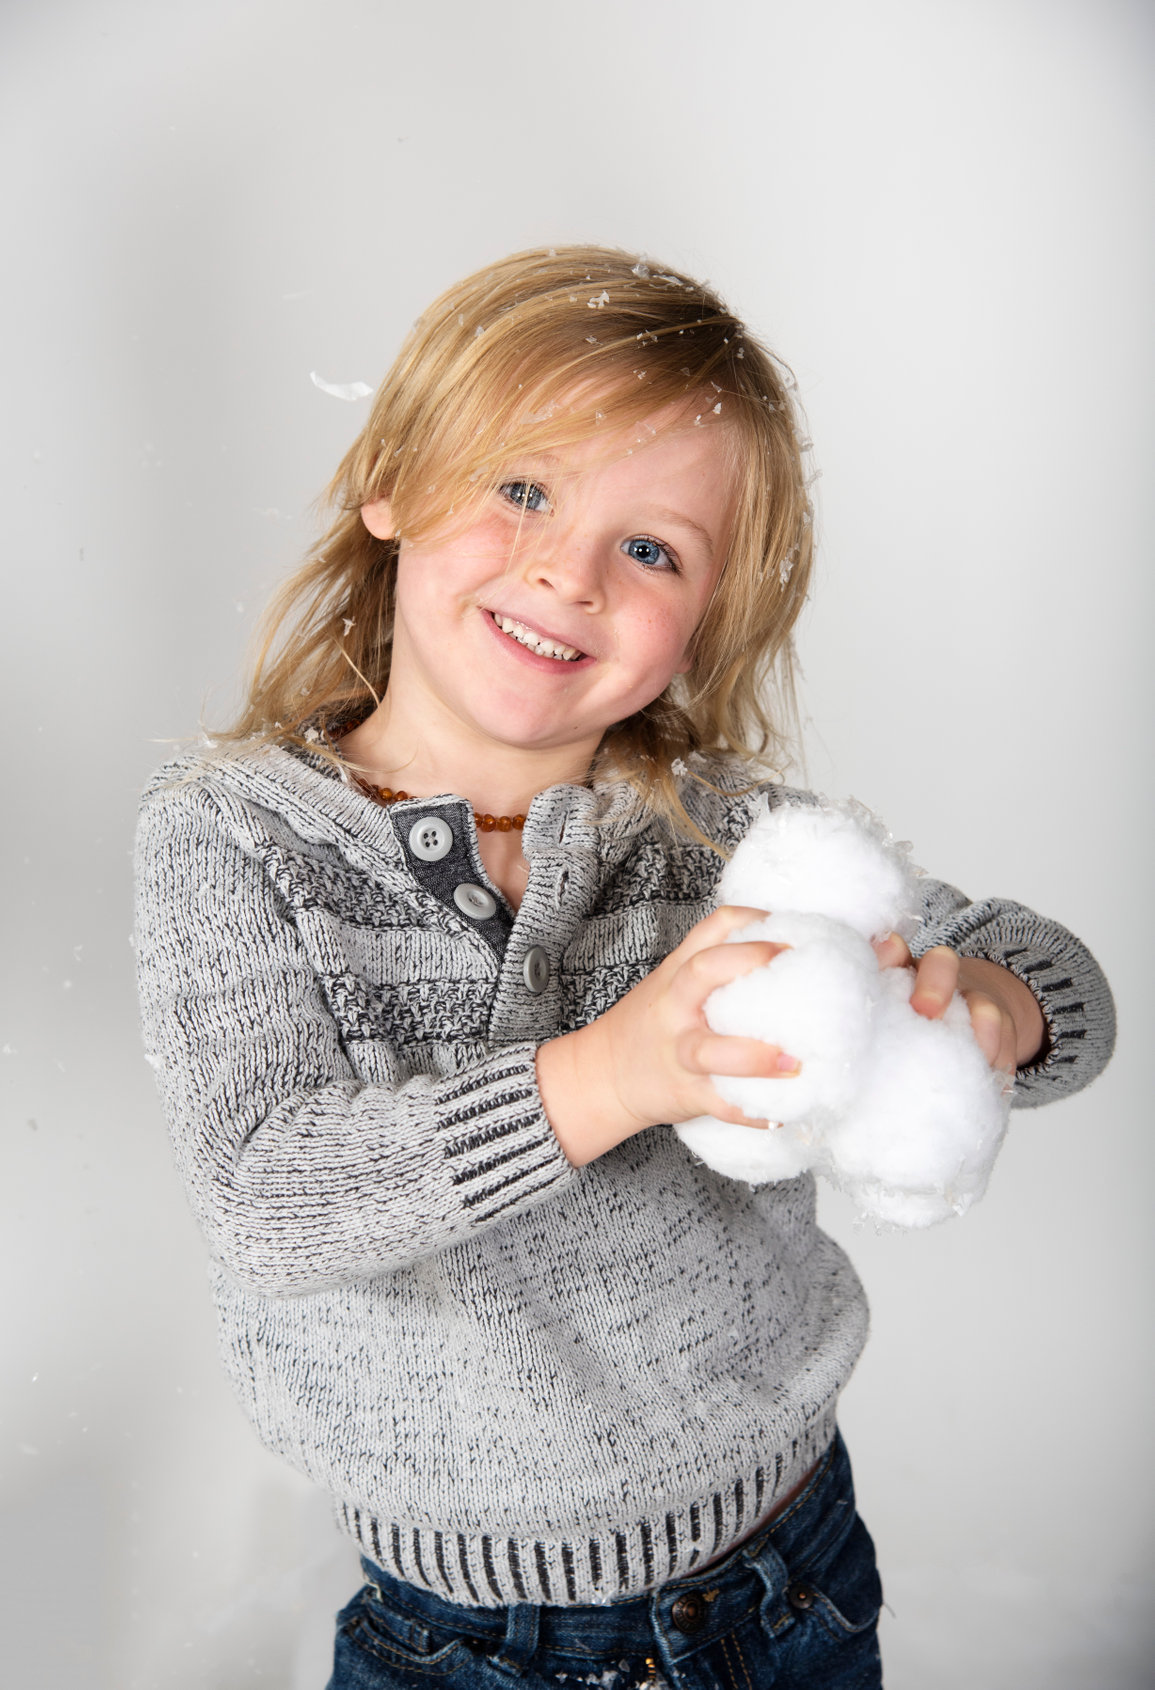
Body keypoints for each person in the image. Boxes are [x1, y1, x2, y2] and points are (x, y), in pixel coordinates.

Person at [134, 245, 1114, 1690]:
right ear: (392, 482)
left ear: (701, 622)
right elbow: (272, 1194)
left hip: (789, 1573)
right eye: (522, 488)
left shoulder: (726, 840)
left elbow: (1060, 978)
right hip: (462, 1633)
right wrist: (607, 1073)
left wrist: (985, 1004)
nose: (567, 571)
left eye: (651, 549)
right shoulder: (235, 846)